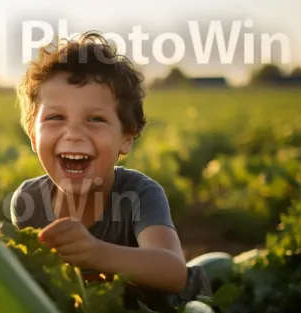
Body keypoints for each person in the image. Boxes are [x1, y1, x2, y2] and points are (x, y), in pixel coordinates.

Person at [10, 31, 189, 297]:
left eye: (95, 119)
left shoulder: (139, 195)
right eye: (56, 117)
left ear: (126, 139)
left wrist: (95, 252)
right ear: (34, 138)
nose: (73, 134)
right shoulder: (28, 201)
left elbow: (174, 272)